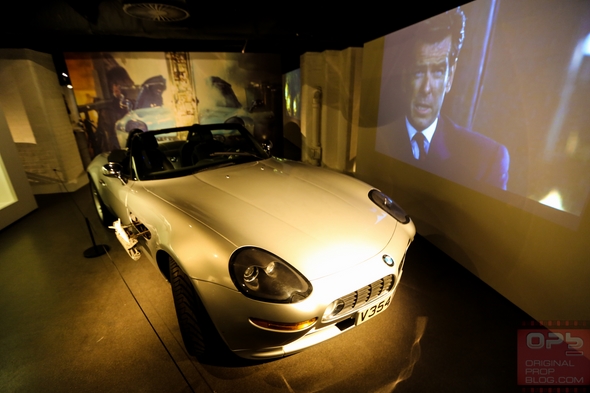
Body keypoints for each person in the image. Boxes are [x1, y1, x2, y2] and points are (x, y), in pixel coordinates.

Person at [375, 8, 509, 190]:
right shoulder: (378, 137)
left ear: (450, 77)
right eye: (419, 71)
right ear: (405, 75)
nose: (426, 88)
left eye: (438, 72)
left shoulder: (487, 158)